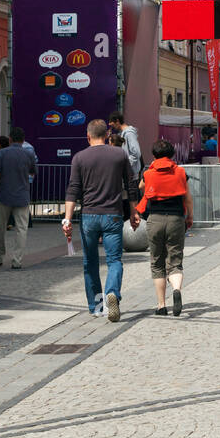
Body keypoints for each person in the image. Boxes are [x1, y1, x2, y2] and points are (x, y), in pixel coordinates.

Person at [63, 119, 139, 321]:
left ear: (88, 136)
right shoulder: (119, 154)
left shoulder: (79, 158)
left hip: (89, 216)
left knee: (90, 262)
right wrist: (134, 212)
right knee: (114, 260)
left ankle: (96, 306)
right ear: (107, 135)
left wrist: (67, 219)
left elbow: (73, 190)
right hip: (113, 215)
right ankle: (112, 292)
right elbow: (131, 185)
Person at [136, 138, 193, 316]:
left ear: (154, 155)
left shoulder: (149, 173)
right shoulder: (181, 172)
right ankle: (176, 290)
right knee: (175, 260)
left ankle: (161, 305)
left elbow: (141, 188)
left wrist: (152, 167)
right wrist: (190, 216)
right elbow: (188, 198)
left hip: (155, 219)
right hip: (176, 219)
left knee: (157, 261)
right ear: (172, 155)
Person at [0, 127, 36, 268]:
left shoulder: (2, 153)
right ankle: (17, 260)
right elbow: (32, 173)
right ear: (23, 140)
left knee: (0, 227)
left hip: (4, 195)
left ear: (10, 139)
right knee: (21, 229)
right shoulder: (28, 154)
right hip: (22, 196)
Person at [108, 112, 143, 178]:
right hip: (128, 174)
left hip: (132, 175)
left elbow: (136, 153)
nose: (112, 127)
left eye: (112, 125)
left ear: (117, 121)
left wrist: (126, 165)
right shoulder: (122, 133)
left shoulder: (129, 134)